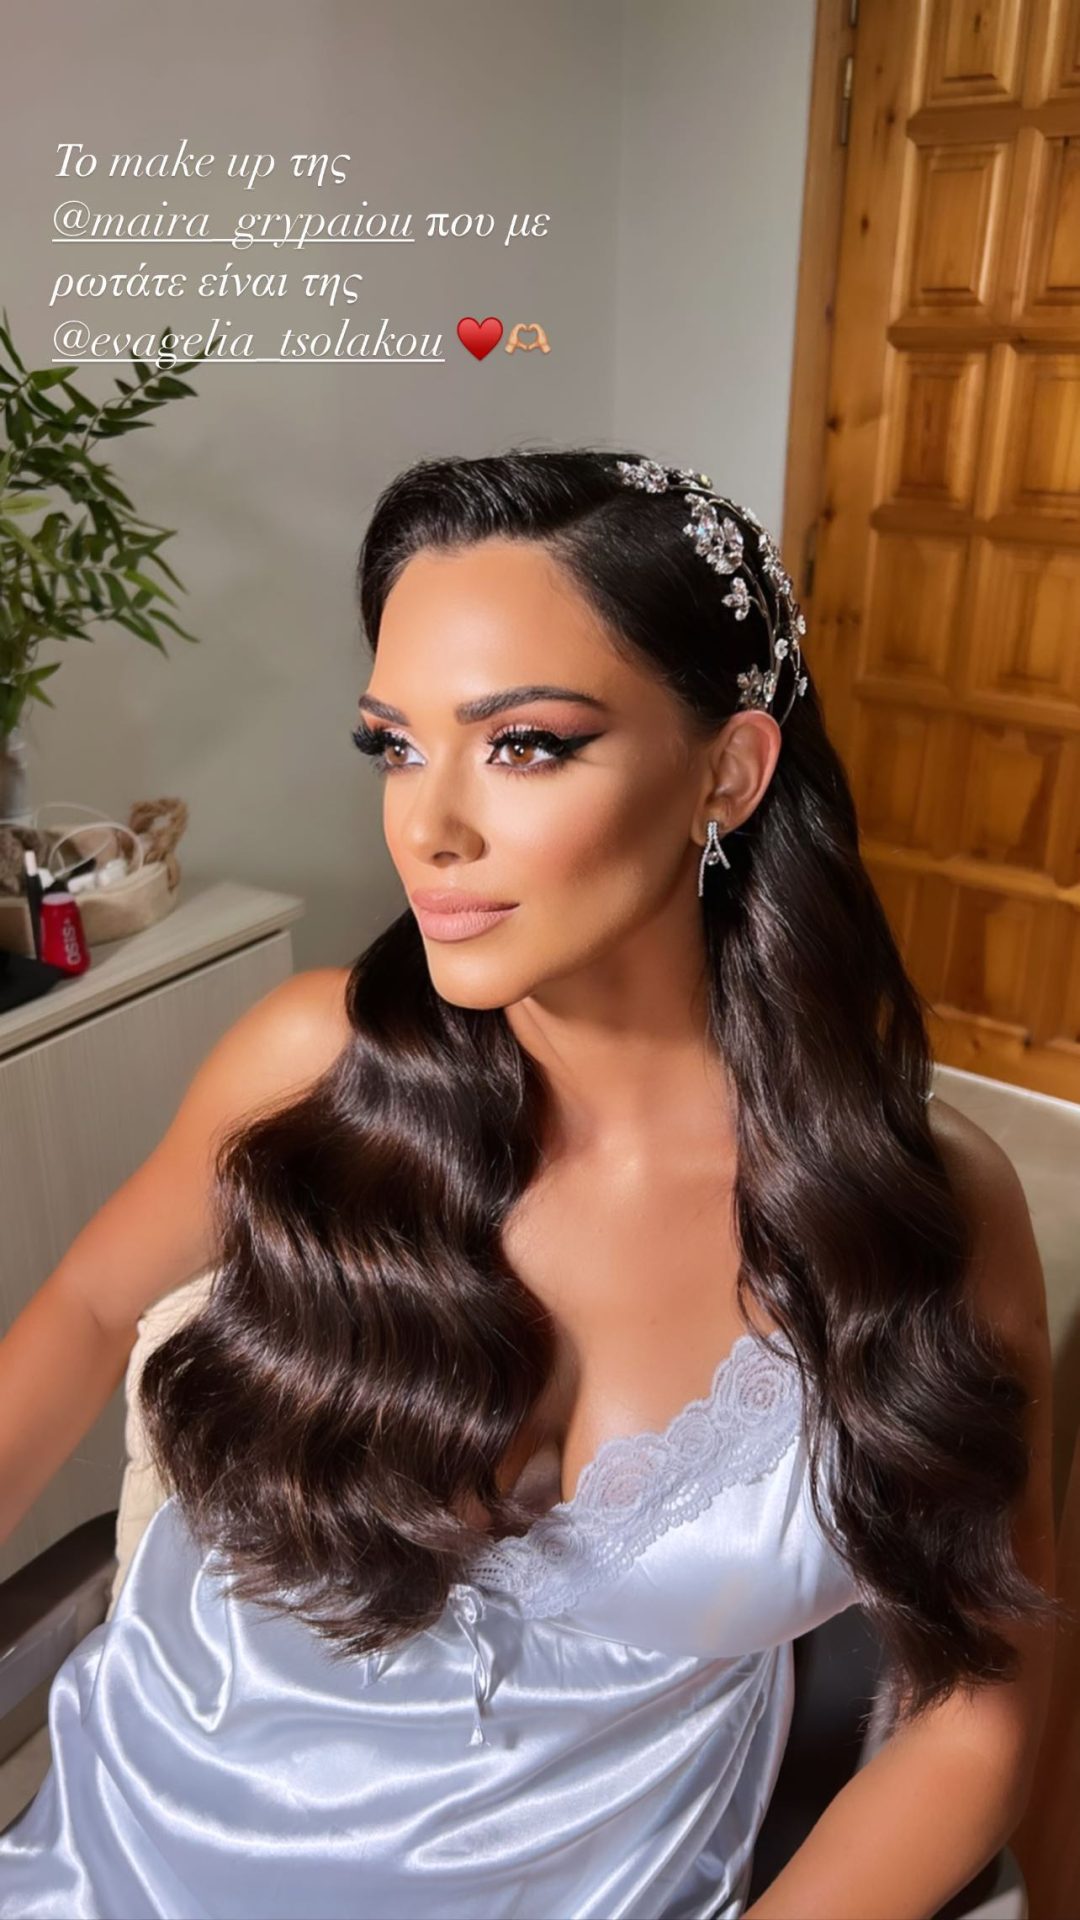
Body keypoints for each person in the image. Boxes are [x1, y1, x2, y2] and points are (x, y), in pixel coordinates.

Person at [0, 447, 1060, 1919]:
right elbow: (88, 1305)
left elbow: (980, 1703)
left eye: (525, 744)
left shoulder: (922, 1213)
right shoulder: (314, 1065)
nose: (425, 827)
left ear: (728, 773)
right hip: (143, 1844)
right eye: (394, 745)